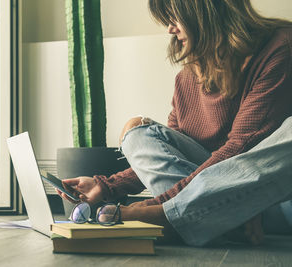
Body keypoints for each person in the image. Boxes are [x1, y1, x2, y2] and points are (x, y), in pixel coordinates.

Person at [57, 0, 292, 246]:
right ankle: (214, 220)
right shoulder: (186, 78)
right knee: (137, 133)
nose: (170, 29)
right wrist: (107, 186)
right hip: (223, 206)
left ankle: (183, 217)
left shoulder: (280, 47)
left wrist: (157, 205)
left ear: (205, 11)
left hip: (271, 203)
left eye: (174, 17)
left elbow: (241, 146)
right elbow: (170, 150)